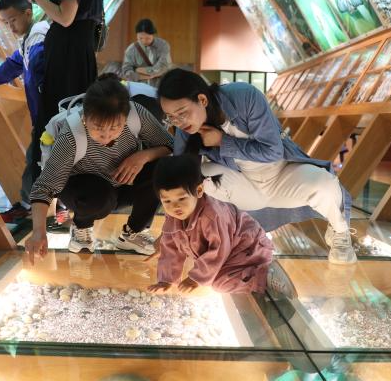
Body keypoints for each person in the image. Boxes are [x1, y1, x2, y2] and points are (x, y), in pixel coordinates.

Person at [156, 69, 358, 265]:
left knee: (325, 183)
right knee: (199, 177)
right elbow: (178, 182)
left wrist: (223, 141)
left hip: (282, 176)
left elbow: (273, 151)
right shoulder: (185, 130)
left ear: (202, 99)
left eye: (182, 112)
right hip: (245, 188)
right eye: (170, 117)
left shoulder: (244, 97)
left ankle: (340, 233)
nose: (178, 122)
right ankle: (216, 240)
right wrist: (169, 235)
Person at [23, 75, 173, 261]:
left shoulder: (137, 114)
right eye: (99, 127)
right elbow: (44, 187)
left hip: (122, 184)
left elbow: (170, 145)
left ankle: (134, 232)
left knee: (163, 168)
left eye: (115, 127)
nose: (106, 135)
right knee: (98, 195)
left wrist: (143, 156)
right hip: (85, 192)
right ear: (85, 118)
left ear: (125, 117)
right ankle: (81, 227)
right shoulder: (71, 135)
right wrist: (38, 232)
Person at [11, 0, 102, 158]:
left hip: (69, 57)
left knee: (61, 122)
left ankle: (54, 178)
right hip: (74, 53)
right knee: (70, 122)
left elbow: (65, 17)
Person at [148, 155, 296, 298]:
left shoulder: (212, 216)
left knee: (220, 284)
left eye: (181, 198)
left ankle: (265, 275)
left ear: (199, 191)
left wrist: (195, 278)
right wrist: (166, 279)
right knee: (218, 279)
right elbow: (170, 246)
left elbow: (218, 250)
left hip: (249, 248)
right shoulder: (174, 215)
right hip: (229, 250)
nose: (175, 206)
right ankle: (255, 282)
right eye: (167, 201)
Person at [0, 0, 49, 222]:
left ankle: (28, 207)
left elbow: (37, 70)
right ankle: (44, 206)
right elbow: (10, 67)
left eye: (13, 20)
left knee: (36, 160)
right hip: (44, 116)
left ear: (28, 13)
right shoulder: (28, 40)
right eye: (6, 23)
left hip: (49, 116)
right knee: (39, 160)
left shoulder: (39, 38)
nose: (10, 27)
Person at [121, 19, 172, 88]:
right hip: (139, 87)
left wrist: (139, 70)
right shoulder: (131, 50)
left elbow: (163, 66)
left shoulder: (163, 45)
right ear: (136, 35)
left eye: (148, 38)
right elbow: (126, 71)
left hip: (161, 86)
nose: (144, 41)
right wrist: (141, 76)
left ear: (153, 35)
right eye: (140, 38)